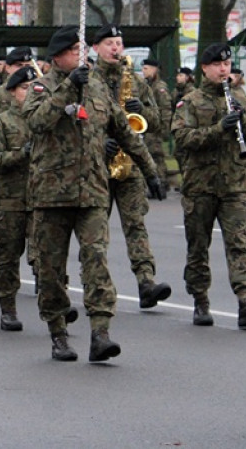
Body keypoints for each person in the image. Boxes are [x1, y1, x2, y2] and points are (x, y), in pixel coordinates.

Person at [23, 27, 163, 363]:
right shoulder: (42, 87)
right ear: (57, 56)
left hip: (93, 192)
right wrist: (69, 87)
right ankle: (58, 333)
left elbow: (125, 131)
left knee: (96, 260)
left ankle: (101, 332)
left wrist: (151, 171)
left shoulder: (97, 86)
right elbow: (38, 122)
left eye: (81, 49)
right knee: (51, 270)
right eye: (73, 50)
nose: (79, 55)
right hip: (52, 195)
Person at [171, 42, 246, 329]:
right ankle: (200, 301)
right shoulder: (191, 101)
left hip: (234, 186)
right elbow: (182, 138)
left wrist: (244, 121)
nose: (223, 69)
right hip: (200, 186)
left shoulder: (240, 96)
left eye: (227, 65)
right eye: (217, 65)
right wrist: (220, 129)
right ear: (205, 68)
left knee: (238, 244)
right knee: (198, 247)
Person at [88, 25, 172, 309]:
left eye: (119, 43)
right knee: (95, 231)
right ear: (96, 47)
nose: (115, 48)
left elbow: (158, 123)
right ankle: (94, 283)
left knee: (136, 224)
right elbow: (75, 123)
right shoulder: (87, 79)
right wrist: (100, 143)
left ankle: (146, 282)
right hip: (96, 167)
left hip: (130, 165)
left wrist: (142, 109)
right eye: (109, 43)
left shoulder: (135, 81)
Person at [0, 66, 37, 331]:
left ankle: (56, 307)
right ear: (13, 92)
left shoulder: (44, 121)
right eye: (25, 88)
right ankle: (8, 309)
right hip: (9, 200)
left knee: (48, 257)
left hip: (41, 199)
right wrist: (20, 154)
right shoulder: (1, 122)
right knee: (7, 257)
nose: (31, 92)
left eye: (34, 88)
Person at [141, 58, 173, 184]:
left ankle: (162, 183)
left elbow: (166, 109)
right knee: (151, 155)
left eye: (146, 69)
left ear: (154, 70)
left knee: (157, 156)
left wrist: (164, 128)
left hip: (157, 128)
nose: (143, 72)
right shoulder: (148, 85)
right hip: (149, 126)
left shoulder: (160, 87)